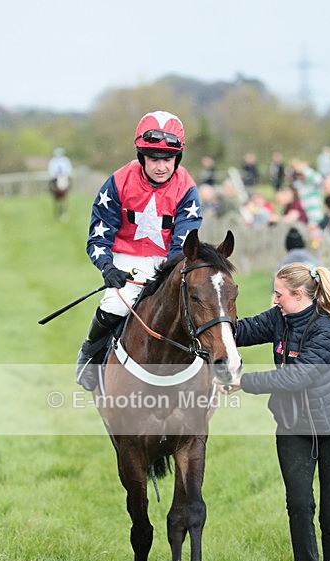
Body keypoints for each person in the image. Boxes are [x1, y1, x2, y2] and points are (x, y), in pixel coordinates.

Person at [225, 262, 330, 561]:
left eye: (279, 294)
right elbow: (241, 331)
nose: (274, 300)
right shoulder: (279, 318)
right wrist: (209, 322)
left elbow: (297, 377)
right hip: (293, 431)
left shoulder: (327, 330)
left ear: (299, 295)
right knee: (299, 506)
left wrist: (244, 382)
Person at [76, 110, 203, 390]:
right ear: (141, 156)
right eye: (154, 159)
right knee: (114, 306)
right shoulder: (118, 182)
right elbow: (98, 237)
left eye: (168, 159)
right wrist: (108, 268)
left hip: (169, 260)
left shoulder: (187, 190)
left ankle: (216, 368)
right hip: (127, 258)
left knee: (198, 309)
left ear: (178, 158)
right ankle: (89, 355)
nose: (161, 166)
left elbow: (182, 244)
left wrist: (165, 276)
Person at [48, 147, 73, 218]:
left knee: (69, 183)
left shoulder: (66, 160)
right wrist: (54, 175)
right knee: (51, 184)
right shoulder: (53, 161)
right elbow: (51, 170)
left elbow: (69, 169)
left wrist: (66, 174)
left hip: (64, 176)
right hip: (56, 177)